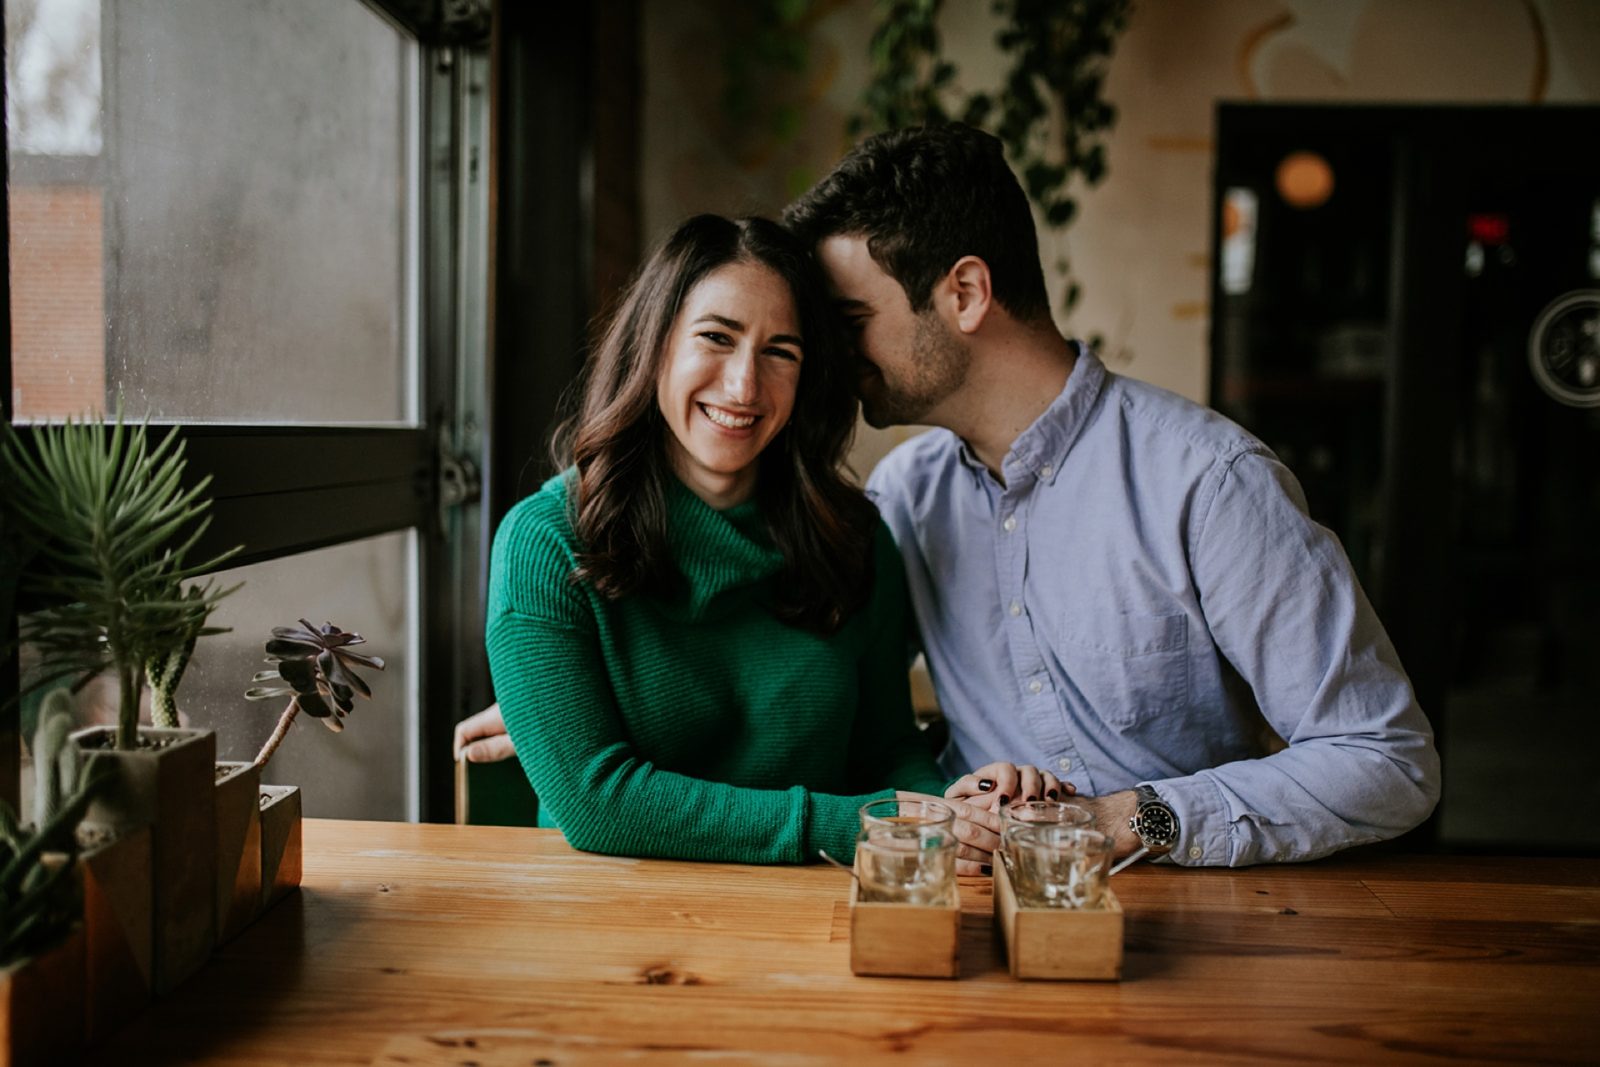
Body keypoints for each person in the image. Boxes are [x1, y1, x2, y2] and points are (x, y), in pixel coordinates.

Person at [780, 123, 1440, 868]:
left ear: (965, 293)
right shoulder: (905, 495)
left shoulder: (1210, 482)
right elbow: (836, 708)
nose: (834, 356)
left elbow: (1389, 759)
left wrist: (1132, 819)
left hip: (1197, 930)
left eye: (851, 323)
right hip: (967, 921)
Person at [478, 213, 1007, 868]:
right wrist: (871, 826)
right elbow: (596, 802)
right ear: (657, 345)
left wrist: (951, 821)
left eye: (780, 351)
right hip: (615, 925)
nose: (743, 385)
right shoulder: (544, 541)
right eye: (716, 337)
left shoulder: (855, 537)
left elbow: (886, 750)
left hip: (817, 915)